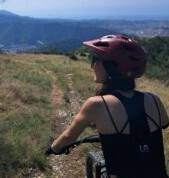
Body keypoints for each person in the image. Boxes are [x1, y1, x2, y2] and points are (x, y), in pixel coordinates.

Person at [45, 35, 169, 178]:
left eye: (94, 60)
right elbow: (164, 123)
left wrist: (52, 149)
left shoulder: (96, 104)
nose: (92, 66)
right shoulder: (153, 99)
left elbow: (68, 137)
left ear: (111, 67)